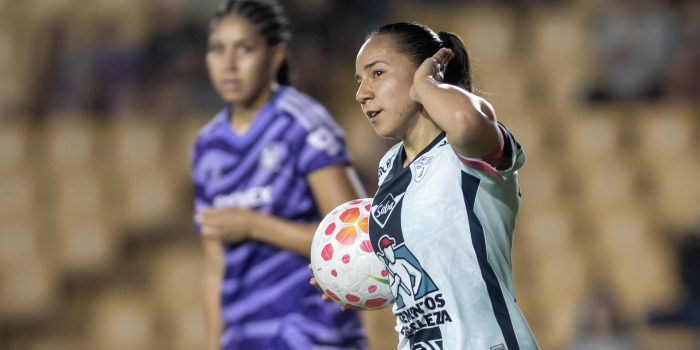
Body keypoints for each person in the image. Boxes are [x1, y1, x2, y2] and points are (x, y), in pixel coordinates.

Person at [191, 1, 368, 349]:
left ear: (275, 55)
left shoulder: (302, 125)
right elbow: (215, 269)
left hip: (314, 334)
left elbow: (356, 240)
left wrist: (256, 226)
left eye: (244, 49)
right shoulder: (207, 146)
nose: (229, 64)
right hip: (245, 339)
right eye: (218, 49)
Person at [353, 22, 540, 349]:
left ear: (427, 69)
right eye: (360, 80)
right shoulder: (388, 168)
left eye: (377, 74)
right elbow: (429, 271)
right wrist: (351, 277)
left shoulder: (470, 145)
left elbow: (464, 123)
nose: (362, 93)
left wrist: (426, 83)